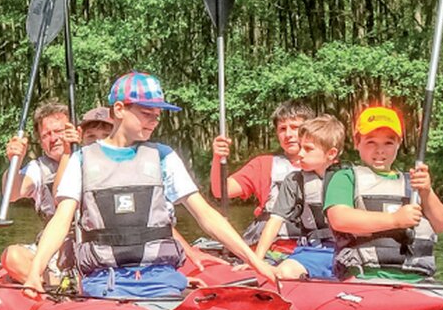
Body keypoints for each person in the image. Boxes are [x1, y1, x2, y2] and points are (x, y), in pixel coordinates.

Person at [23, 72, 277, 298]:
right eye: (146, 113)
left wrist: (255, 261)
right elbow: (61, 221)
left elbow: (206, 215)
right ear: (120, 109)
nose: (154, 121)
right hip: (104, 282)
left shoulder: (164, 156)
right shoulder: (81, 160)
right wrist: (35, 271)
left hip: (162, 279)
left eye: (157, 115)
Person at [325, 106, 443, 281]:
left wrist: (427, 192)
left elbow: (440, 224)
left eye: (388, 143)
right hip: (365, 277)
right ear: (357, 142)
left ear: (398, 143)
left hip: (418, 280)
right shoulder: (345, 177)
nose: (380, 150)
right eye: (371, 142)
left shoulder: (413, 181)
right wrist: (395, 220)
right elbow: (339, 219)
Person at [0, 104, 113, 283]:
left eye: (59, 131)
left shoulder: (100, 156)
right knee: (12, 256)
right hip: (56, 250)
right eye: (46, 135)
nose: (53, 138)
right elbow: (12, 194)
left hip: (97, 242)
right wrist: (16, 160)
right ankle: (58, 287)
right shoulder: (37, 168)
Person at [252, 115, 345, 280]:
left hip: (347, 252)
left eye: (308, 149)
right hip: (312, 251)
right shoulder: (294, 181)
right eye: (300, 147)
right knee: (285, 272)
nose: (300, 154)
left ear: (331, 154)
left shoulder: (350, 178)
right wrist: (256, 260)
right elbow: (275, 221)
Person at [210, 100, 315, 244]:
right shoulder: (263, 165)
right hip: (271, 244)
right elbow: (220, 191)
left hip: (312, 244)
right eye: (282, 129)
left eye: (295, 127)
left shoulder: (326, 166)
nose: (288, 134)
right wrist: (217, 157)